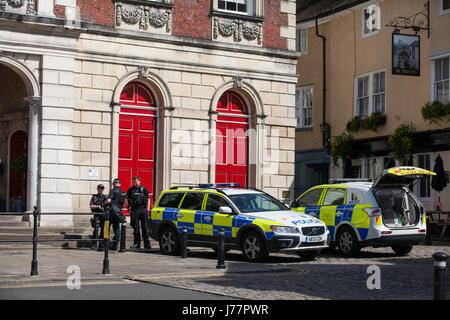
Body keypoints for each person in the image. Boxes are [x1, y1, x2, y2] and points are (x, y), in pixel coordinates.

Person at [126, 176, 151, 249]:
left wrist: (148, 209)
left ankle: (147, 244)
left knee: (145, 228)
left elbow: (148, 199)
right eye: (134, 182)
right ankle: (137, 243)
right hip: (134, 210)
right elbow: (126, 198)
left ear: (140, 181)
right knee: (136, 228)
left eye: (136, 182)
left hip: (143, 210)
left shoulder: (144, 189)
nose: (135, 183)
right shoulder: (131, 190)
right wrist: (128, 207)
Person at [103, 178, 126, 251]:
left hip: (111, 213)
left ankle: (105, 244)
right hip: (118, 213)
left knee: (107, 228)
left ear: (113, 184)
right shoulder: (122, 192)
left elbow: (108, 200)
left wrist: (104, 203)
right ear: (120, 184)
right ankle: (115, 245)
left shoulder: (113, 191)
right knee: (117, 229)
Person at [89, 184, 107, 250]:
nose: (101, 190)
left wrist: (104, 208)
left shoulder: (105, 197)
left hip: (103, 215)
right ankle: (94, 244)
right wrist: (97, 206)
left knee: (103, 230)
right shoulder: (94, 197)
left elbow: (108, 206)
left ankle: (101, 245)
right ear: (97, 189)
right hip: (97, 215)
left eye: (102, 189)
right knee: (96, 229)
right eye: (100, 189)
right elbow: (91, 206)